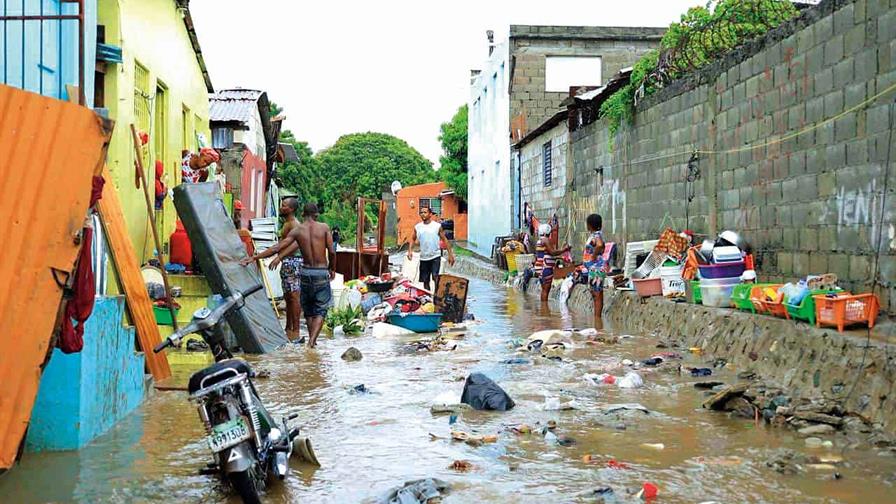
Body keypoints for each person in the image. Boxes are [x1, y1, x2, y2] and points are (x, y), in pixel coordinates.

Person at [243, 203, 335, 348]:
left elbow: (277, 247)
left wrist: (254, 257)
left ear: (303, 214)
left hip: (305, 273)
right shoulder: (324, 228)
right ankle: (311, 341)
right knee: (321, 309)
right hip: (321, 272)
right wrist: (332, 268)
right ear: (316, 215)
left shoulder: (298, 230)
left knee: (309, 310)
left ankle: (312, 341)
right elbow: (332, 251)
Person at [240, 198, 303, 341]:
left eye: (284, 206)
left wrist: (257, 258)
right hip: (288, 261)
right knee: (288, 296)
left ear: (291, 209)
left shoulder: (294, 225)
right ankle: (289, 328)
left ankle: (296, 331)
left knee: (294, 296)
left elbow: (288, 246)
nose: (281, 208)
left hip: (293, 262)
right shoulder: (287, 223)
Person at [407, 206, 455, 291]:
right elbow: (413, 239)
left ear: (430, 214)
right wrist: (410, 251)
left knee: (435, 276)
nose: (423, 214)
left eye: (425, 212)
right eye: (421, 212)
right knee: (425, 281)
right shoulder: (417, 227)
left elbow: (445, 240)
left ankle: (437, 296)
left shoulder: (437, 226)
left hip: (435, 256)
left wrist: (450, 255)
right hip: (424, 257)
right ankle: (428, 297)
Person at [582, 214, 607, 328]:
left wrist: (594, 255)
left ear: (590, 225)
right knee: (596, 294)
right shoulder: (596, 234)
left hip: (596, 268)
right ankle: (597, 322)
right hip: (594, 268)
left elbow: (600, 245)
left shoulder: (596, 235)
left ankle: (597, 321)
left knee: (597, 295)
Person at [534, 223, 570, 302]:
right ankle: (544, 310)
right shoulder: (545, 240)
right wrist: (564, 249)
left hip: (540, 267)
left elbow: (545, 254)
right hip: (545, 267)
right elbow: (552, 252)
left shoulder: (539, 241)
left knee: (544, 289)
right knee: (546, 290)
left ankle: (543, 309)